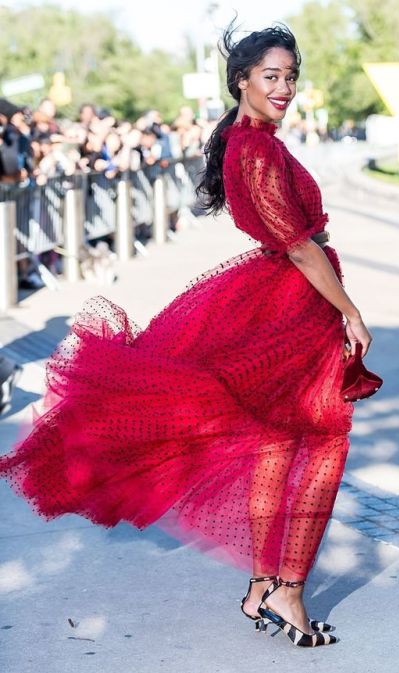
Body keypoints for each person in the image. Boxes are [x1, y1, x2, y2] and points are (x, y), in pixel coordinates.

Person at [0, 20, 372, 649]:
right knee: (323, 439)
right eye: (270, 77)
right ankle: (288, 589)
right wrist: (351, 311)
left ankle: (265, 584)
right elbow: (299, 247)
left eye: (289, 77)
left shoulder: (255, 141)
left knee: (279, 442)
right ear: (242, 81)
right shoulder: (254, 149)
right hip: (294, 301)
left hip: (281, 298)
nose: (283, 88)